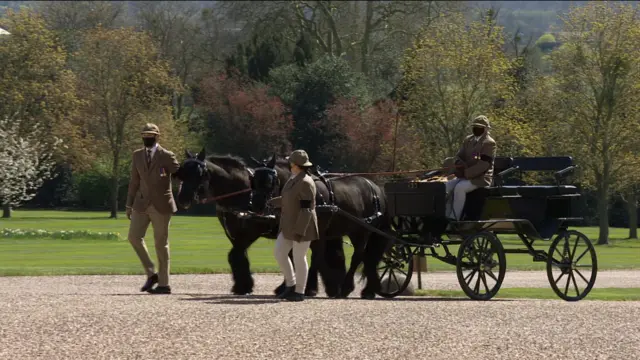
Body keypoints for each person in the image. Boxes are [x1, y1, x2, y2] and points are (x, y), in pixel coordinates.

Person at [126, 123, 180, 294]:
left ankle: (164, 284)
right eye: (144, 135)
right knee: (134, 237)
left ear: (157, 136)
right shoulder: (137, 155)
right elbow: (134, 181)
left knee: (160, 244)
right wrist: (129, 204)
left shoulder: (167, 156)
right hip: (141, 204)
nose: (146, 138)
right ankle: (151, 273)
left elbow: (180, 175)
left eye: (150, 135)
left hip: (162, 205)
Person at [267, 149, 320, 302]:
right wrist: (272, 202)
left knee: (299, 257)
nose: (289, 164)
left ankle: (299, 291)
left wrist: (300, 230)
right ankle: (290, 284)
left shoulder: (305, 182)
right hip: (288, 225)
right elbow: (287, 198)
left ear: (296, 165)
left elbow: (307, 209)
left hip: (302, 226)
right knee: (279, 252)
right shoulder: (293, 178)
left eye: (291, 162)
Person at [445, 115, 497, 221]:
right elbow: (459, 156)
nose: (476, 129)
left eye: (480, 127)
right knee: (446, 187)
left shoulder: (489, 143)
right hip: (464, 175)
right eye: (475, 126)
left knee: (460, 188)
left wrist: (466, 173)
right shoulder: (468, 140)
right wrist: (458, 165)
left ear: (486, 129)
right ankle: (445, 215)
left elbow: (484, 164)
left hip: (480, 178)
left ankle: (454, 218)